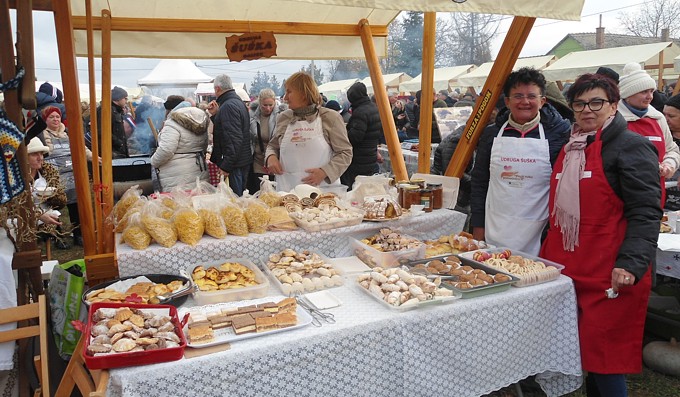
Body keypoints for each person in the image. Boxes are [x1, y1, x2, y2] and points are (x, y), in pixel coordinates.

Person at [539, 73, 661, 397]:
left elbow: (646, 212)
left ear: (614, 105)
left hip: (610, 272)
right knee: (580, 353)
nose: (587, 110)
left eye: (596, 102)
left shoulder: (631, 146)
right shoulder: (571, 145)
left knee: (605, 357)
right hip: (568, 270)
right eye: (579, 103)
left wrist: (632, 264)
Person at [470, 67, 570, 255]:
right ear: (507, 101)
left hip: (539, 231)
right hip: (495, 226)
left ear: (542, 101)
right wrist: (478, 226)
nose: (525, 102)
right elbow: (480, 181)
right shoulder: (492, 133)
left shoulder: (560, 133)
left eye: (532, 96)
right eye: (518, 96)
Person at [264, 72, 352, 192]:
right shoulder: (284, 118)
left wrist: (325, 172)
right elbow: (272, 146)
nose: (285, 98)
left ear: (304, 94)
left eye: (289, 92)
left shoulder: (330, 118)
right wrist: (271, 157)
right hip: (287, 191)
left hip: (322, 193)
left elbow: (345, 153)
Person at [617, 62, 680, 207]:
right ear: (628, 94)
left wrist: (669, 164)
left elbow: (672, 150)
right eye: (643, 92)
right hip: (623, 195)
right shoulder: (613, 119)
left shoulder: (658, 118)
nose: (649, 97)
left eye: (652, 91)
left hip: (655, 194)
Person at [41, 106, 93, 247]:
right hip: (53, 177)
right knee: (54, 206)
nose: (55, 119)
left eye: (57, 116)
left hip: (71, 175)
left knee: (75, 206)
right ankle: (58, 237)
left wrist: (94, 158)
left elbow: (82, 147)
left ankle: (78, 235)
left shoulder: (68, 132)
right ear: (45, 119)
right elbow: (43, 153)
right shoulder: (42, 135)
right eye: (51, 117)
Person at [207, 74, 252, 196]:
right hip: (240, 160)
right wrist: (216, 115)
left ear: (217, 89)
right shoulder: (236, 102)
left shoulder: (228, 106)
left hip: (235, 165)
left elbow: (233, 139)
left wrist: (226, 166)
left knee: (235, 202)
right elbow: (230, 130)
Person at [150, 102, 209, 192]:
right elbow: (204, 147)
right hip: (198, 169)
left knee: (178, 203)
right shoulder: (202, 124)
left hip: (176, 174)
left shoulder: (172, 124)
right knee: (197, 202)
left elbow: (166, 150)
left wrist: (154, 162)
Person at [26, 137, 69, 247]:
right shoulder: (14, 177)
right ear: (24, 157)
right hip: (23, 218)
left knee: (51, 218)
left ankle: (58, 236)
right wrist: (37, 214)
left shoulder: (47, 171)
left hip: (47, 215)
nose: (40, 158)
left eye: (41, 154)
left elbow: (62, 201)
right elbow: (13, 208)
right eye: (35, 154)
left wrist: (50, 197)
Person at [340, 81, 382, 189]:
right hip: (370, 155)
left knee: (354, 188)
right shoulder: (374, 108)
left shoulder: (360, 112)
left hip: (359, 158)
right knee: (365, 188)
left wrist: (343, 132)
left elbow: (355, 137)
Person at [247, 88, 280, 194]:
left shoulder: (281, 116)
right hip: (258, 161)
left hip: (275, 160)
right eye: (264, 105)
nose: (268, 108)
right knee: (260, 193)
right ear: (259, 103)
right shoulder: (252, 116)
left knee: (274, 194)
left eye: (271, 105)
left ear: (275, 102)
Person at [96, 86, 130, 159]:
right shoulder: (105, 110)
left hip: (118, 152)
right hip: (111, 152)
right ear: (117, 99)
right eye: (125, 98)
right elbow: (102, 132)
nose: (126, 101)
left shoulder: (116, 111)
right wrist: (119, 143)